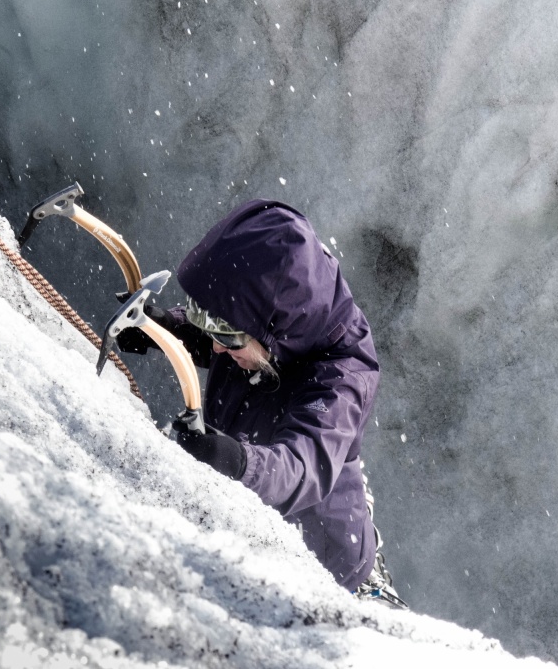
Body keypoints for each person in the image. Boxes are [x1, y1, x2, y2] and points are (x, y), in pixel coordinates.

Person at [118, 199, 404, 604]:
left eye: (227, 335)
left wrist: (236, 461)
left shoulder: (344, 374)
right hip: (251, 525)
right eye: (209, 324)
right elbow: (224, 334)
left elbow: (302, 468)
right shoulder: (266, 325)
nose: (216, 348)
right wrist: (165, 329)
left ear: (279, 327)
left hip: (325, 575)